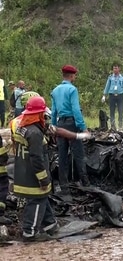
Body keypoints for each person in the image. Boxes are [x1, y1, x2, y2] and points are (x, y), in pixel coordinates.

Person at [11, 96, 90, 242]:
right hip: (32, 175)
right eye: (43, 114)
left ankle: (50, 225)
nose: (45, 117)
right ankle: (30, 232)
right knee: (36, 200)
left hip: (22, 171)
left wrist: (79, 135)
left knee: (42, 197)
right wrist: (43, 178)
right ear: (37, 114)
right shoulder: (34, 133)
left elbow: (57, 130)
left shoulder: (23, 126)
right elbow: (36, 158)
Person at [51, 65, 90, 191]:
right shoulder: (72, 89)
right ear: (72, 76)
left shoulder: (55, 90)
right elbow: (76, 110)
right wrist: (83, 127)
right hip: (71, 124)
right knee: (78, 154)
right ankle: (86, 183)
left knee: (62, 156)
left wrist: (54, 129)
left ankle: (64, 186)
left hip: (60, 124)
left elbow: (54, 112)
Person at [101, 64, 123, 130]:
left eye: (116, 68)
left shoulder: (122, 77)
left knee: (120, 111)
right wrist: (104, 95)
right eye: (114, 68)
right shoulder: (110, 77)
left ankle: (120, 126)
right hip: (112, 96)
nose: (115, 70)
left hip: (120, 96)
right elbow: (107, 86)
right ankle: (113, 126)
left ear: (119, 69)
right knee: (112, 111)